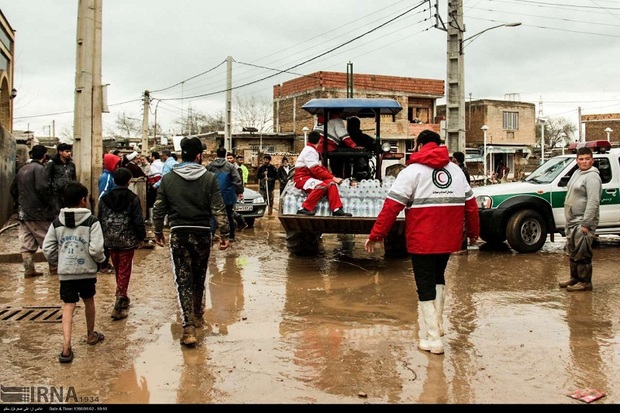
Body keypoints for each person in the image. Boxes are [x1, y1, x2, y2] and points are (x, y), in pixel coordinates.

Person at [364, 130, 479, 355]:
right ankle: (437, 326)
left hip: (422, 239)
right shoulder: (456, 171)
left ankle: (434, 340)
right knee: (438, 277)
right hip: (448, 239)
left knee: (424, 285)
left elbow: (391, 207)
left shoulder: (411, 172)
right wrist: (474, 233)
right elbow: (471, 207)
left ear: (419, 145)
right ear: (438, 145)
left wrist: (376, 234)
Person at [152, 137, 230, 347]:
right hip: (202, 233)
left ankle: (188, 326)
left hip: (179, 233)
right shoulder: (209, 178)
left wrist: (157, 230)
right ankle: (198, 316)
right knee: (199, 276)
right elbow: (218, 208)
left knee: (183, 278)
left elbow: (159, 208)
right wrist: (225, 234)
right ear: (198, 155)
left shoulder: (168, 179)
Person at [42, 181, 107, 363]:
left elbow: (47, 248)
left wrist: (58, 262)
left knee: (68, 305)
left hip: (66, 272)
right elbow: (96, 249)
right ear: (84, 200)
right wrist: (100, 261)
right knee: (89, 301)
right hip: (87, 272)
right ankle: (90, 335)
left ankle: (66, 347)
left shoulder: (57, 222)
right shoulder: (92, 222)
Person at [98, 167, 146, 320]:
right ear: (128, 181)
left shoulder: (104, 199)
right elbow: (138, 220)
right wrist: (141, 237)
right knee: (125, 269)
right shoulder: (132, 198)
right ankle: (119, 300)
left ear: (113, 180)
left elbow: (100, 219)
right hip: (127, 240)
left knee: (119, 267)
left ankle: (122, 294)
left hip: (110, 240)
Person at [9, 144, 57, 277]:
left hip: (23, 213)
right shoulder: (40, 169)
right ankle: (54, 269)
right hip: (39, 213)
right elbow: (42, 188)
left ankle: (29, 270)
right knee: (49, 241)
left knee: (26, 243)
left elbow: (13, 190)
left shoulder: (22, 169)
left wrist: (20, 203)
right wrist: (50, 204)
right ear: (44, 156)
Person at [559, 147, 601, 292]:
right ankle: (575, 278)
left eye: (587, 159)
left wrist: (586, 223)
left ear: (592, 160)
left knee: (582, 252)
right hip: (572, 221)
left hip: (582, 221)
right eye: (581, 159)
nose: (584, 162)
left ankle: (585, 283)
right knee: (573, 251)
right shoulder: (577, 173)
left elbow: (593, 201)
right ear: (577, 161)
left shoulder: (593, 177)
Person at [293, 130, 352, 217]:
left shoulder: (313, 151)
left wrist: (332, 178)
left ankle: (336, 209)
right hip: (302, 179)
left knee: (331, 183)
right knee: (322, 186)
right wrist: (334, 178)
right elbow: (316, 170)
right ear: (320, 141)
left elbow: (321, 169)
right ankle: (304, 208)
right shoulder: (309, 151)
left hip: (310, 178)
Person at [207, 147, 244, 242]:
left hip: (214, 196)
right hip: (228, 196)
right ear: (225, 155)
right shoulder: (230, 166)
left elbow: (205, 180)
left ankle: (211, 235)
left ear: (216, 154)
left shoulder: (210, 166)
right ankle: (231, 236)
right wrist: (240, 191)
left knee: (213, 216)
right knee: (229, 215)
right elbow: (237, 180)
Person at [97, 152, 122, 274]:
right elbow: (103, 195)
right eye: (116, 164)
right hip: (107, 211)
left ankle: (105, 263)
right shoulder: (106, 177)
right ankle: (103, 265)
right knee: (105, 239)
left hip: (108, 211)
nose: (118, 167)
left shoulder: (110, 176)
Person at [46, 142, 77, 216]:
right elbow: (47, 178)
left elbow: (73, 178)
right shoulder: (52, 164)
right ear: (60, 152)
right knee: (58, 214)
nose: (69, 153)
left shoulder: (71, 164)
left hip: (68, 193)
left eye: (70, 151)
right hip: (56, 194)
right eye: (67, 151)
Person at [452, 151, 471, 255]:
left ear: (456, 159)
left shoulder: (461, 171)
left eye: (453, 158)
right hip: (461, 201)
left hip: (461, 201)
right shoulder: (461, 170)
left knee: (462, 225)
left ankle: (462, 248)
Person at [227, 153, 248, 231]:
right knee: (229, 209)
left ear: (234, 159)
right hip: (228, 191)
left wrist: (240, 192)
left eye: (231, 158)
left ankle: (240, 221)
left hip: (234, 191)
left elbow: (239, 181)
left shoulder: (237, 168)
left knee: (230, 210)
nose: (229, 160)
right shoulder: (226, 167)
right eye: (228, 158)